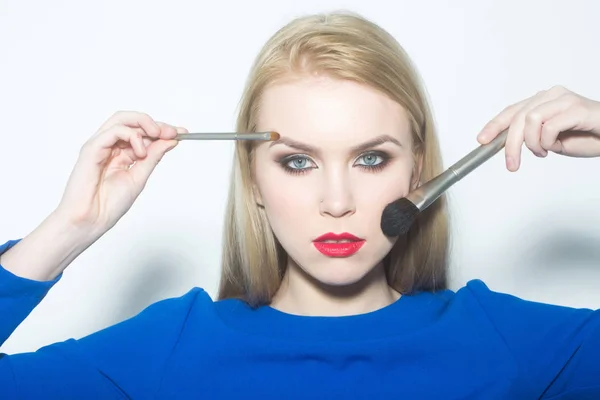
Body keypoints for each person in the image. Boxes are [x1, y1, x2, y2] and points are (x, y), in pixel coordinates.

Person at [1, 11, 600, 399]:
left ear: (418, 169)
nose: (336, 203)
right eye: (297, 161)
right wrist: (66, 230)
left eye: (371, 159)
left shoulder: (506, 344)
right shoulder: (171, 349)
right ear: (254, 180)